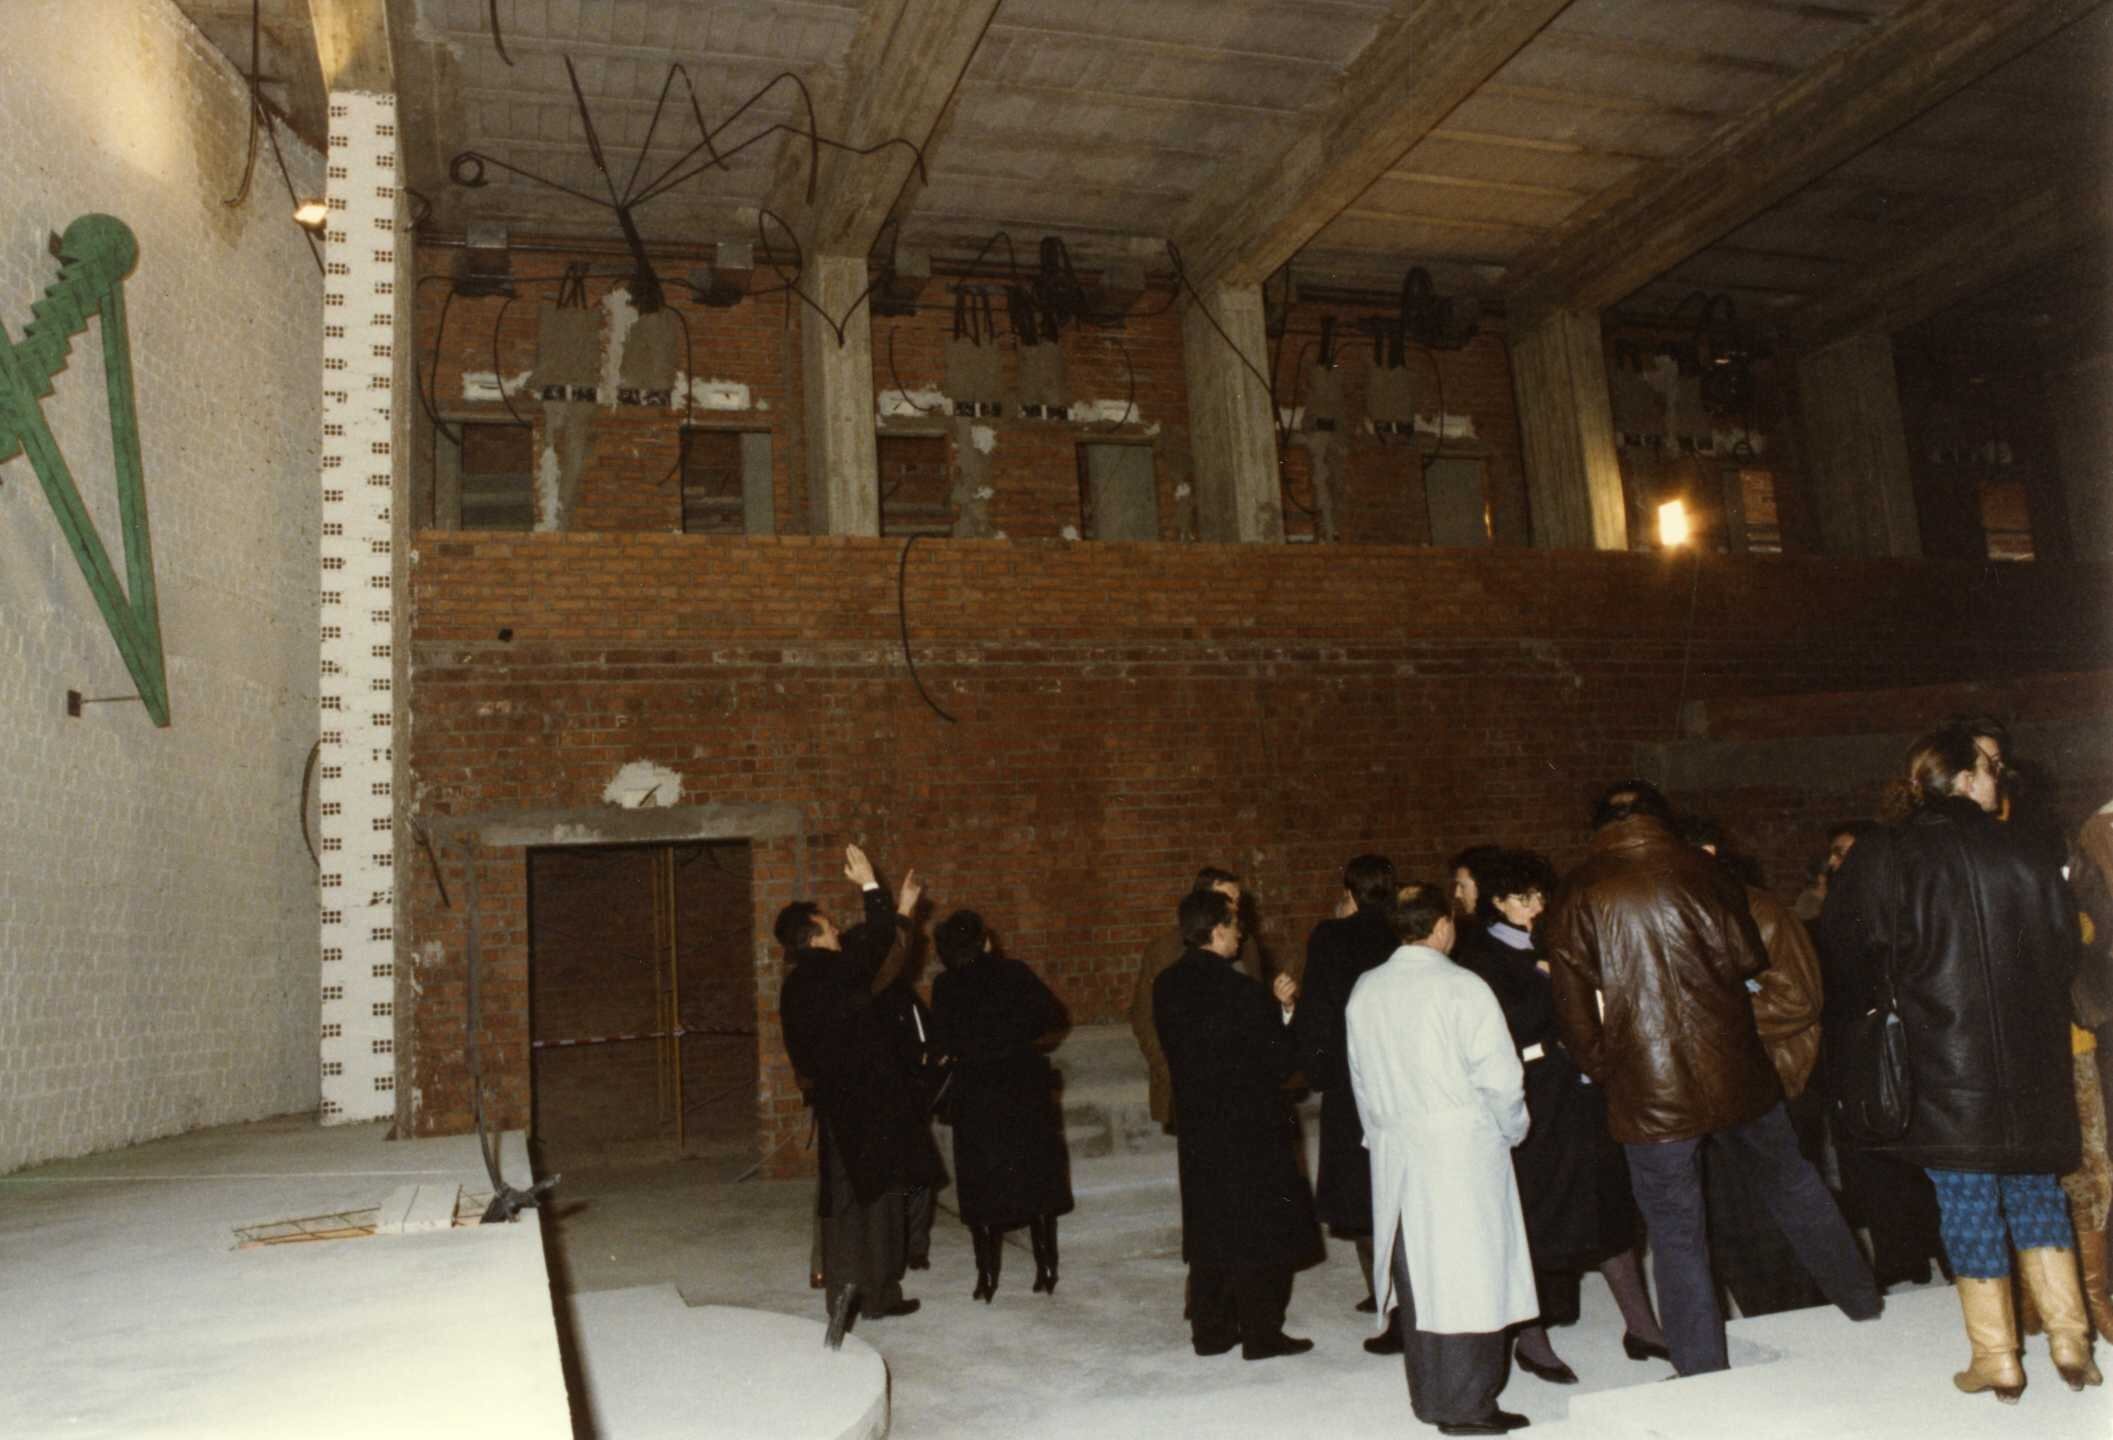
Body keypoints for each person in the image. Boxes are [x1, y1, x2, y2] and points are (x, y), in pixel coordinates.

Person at [1544, 779, 1879, 1378]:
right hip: (1736, 1067)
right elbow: (1745, 958)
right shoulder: (1707, 873)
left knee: (1677, 1234)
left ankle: (1701, 1373)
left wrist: (1609, 1069)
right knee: (1795, 1184)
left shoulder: (1577, 891)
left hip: (1649, 1089)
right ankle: (1862, 1301)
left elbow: (1573, 1014)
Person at [1821, 726, 2095, 1399]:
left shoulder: (1887, 852)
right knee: (2035, 1189)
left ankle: (1995, 1356)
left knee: (1966, 1196)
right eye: (1988, 768)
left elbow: (1849, 949)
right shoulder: (2027, 846)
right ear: (1962, 779)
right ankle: (2070, 1342)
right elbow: (2064, 948)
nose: (1998, 778)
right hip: (2031, 1056)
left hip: (1943, 1057)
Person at [1450, 849, 1665, 1384]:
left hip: (1588, 1098)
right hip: (1537, 1103)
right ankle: (1532, 1340)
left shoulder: (1562, 941)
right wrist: (1551, 983)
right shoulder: (1482, 958)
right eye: (1524, 898)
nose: (1537, 906)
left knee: (1610, 1208)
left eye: (1541, 896)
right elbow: (1503, 1028)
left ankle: (1643, 1326)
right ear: (1499, 902)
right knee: (1538, 1219)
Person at [1348, 882, 1536, 1436]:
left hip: (1398, 1150)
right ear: (1442, 925)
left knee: (1422, 1282)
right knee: (1469, 1279)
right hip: (1460, 1150)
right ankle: (1468, 1404)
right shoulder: (1462, 987)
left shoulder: (1366, 988)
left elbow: (1360, 1079)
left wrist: (1379, 1136)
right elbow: (1501, 1078)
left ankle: (1432, 1396)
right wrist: (1513, 1128)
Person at [1155, 886, 1320, 1361]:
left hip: (1198, 1127)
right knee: (1258, 1233)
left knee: (1208, 1227)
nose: (1241, 933)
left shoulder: (1166, 985)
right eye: (1234, 925)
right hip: (1251, 1129)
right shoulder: (1242, 992)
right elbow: (1281, 1063)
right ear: (1216, 930)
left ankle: (1210, 1332)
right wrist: (1285, 1011)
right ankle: (1262, 1335)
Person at [1678, 813, 1829, 1318]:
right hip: (1719, 1087)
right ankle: (1770, 1322)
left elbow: (1799, 1000)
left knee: (1780, 1221)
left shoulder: (1761, 912)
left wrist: (1705, 1013)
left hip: (1775, 1081)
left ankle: (1807, 1322)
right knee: (1733, 1219)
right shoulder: (1686, 917)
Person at [775, 844, 926, 1335]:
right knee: (871, 1204)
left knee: (854, 1203)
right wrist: (870, 886)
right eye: (829, 927)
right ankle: (867, 1298)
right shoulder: (832, 973)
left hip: (840, 1107)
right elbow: (878, 946)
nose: (837, 931)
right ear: (813, 938)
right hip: (863, 1106)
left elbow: (881, 959)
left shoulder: (796, 985)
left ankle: (858, 1298)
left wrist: (902, 910)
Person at [930, 909, 1073, 1302]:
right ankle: (1046, 1268)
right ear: (986, 941)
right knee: (1037, 1180)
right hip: (1023, 1086)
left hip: (976, 1094)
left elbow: (941, 1041)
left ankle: (986, 1278)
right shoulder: (1015, 973)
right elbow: (1054, 1016)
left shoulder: (945, 985)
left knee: (981, 1188)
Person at [1295, 853, 1401, 1342]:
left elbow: (1318, 1011)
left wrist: (1317, 1072)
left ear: (1350, 892)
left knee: (1360, 1195)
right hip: (1399, 1078)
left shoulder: (1331, 936)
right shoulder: (1401, 931)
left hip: (1350, 1080)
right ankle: (1400, 1293)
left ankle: (1385, 1297)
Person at [1130, 866, 1263, 1134]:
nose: (1235, 908)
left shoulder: (1246, 946)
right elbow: (1144, 1018)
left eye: (1237, 900)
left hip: (1243, 1087)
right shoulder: (1164, 952)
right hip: (1192, 1086)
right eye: (1227, 899)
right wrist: (1171, 1070)